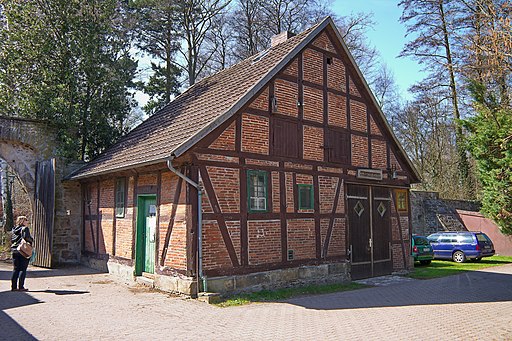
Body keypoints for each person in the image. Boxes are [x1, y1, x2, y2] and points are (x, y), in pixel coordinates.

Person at [11, 216, 34, 292]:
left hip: (14, 250)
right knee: (23, 269)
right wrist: (31, 240)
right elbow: (27, 238)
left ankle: (14, 287)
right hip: (22, 250)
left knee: (15, 269)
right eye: (26, 220)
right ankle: (21, 286)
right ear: (23, 221)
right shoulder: (25, 229)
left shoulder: (14, 229)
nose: (27, 221)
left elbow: (12, 239)